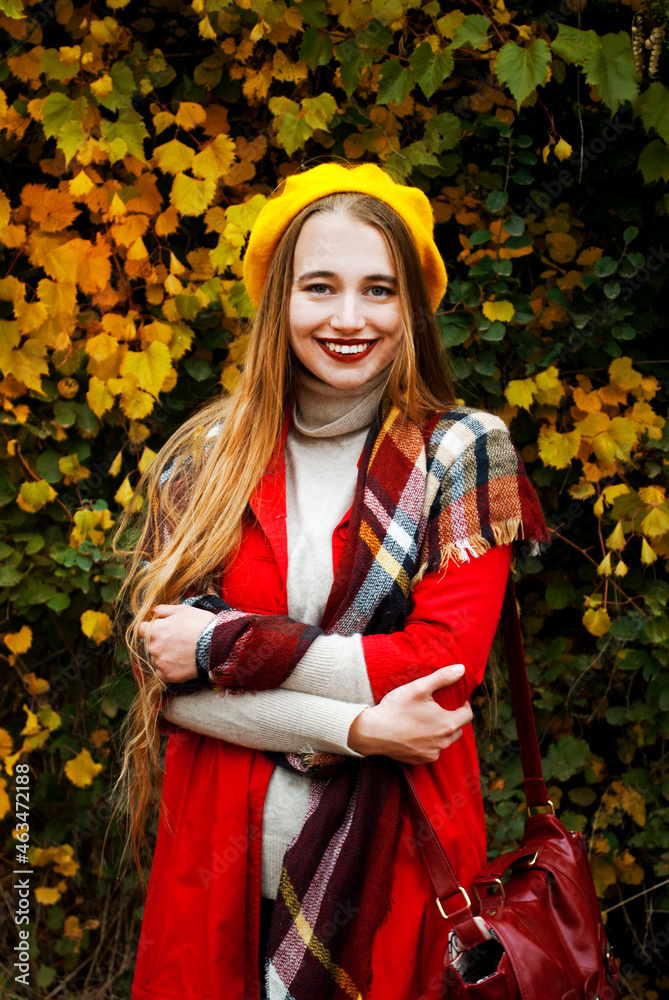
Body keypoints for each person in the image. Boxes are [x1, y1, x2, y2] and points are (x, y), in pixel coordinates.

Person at [115, 162, 549, 1000]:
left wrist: (218, 643)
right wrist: (363, 729)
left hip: (399, 882)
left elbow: (444, 665)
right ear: (280, 301)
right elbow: (165, 685)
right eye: (319, 287)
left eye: (378, 291)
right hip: (215, 877)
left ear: (412, 310)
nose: (348, 319)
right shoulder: (206, 460)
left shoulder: (461, 453)